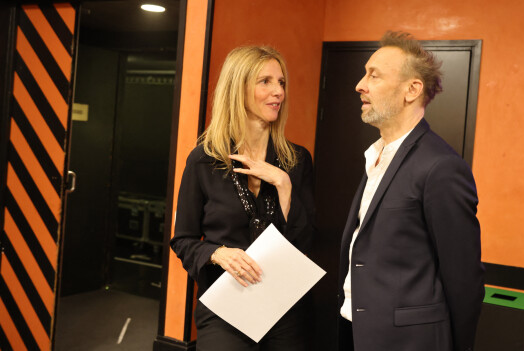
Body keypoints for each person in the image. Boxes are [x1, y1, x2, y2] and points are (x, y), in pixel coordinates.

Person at [337, 31, 485, 351]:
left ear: (412, 89)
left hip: (408, 342)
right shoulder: (375, 156)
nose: (360, 85)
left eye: (373, 75)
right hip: (355, 328)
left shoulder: (440, 167)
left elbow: (464, 280)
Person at [170, 46, 315, 351]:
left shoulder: (297, 161)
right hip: (226, 307)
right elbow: (183, 241)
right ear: (238, 89)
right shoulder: (204, 160)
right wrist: (218, 253)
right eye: (265, 82)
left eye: (281, 82)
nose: (278, 92)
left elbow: (305, 242)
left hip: (284, 305)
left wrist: (284, 184)